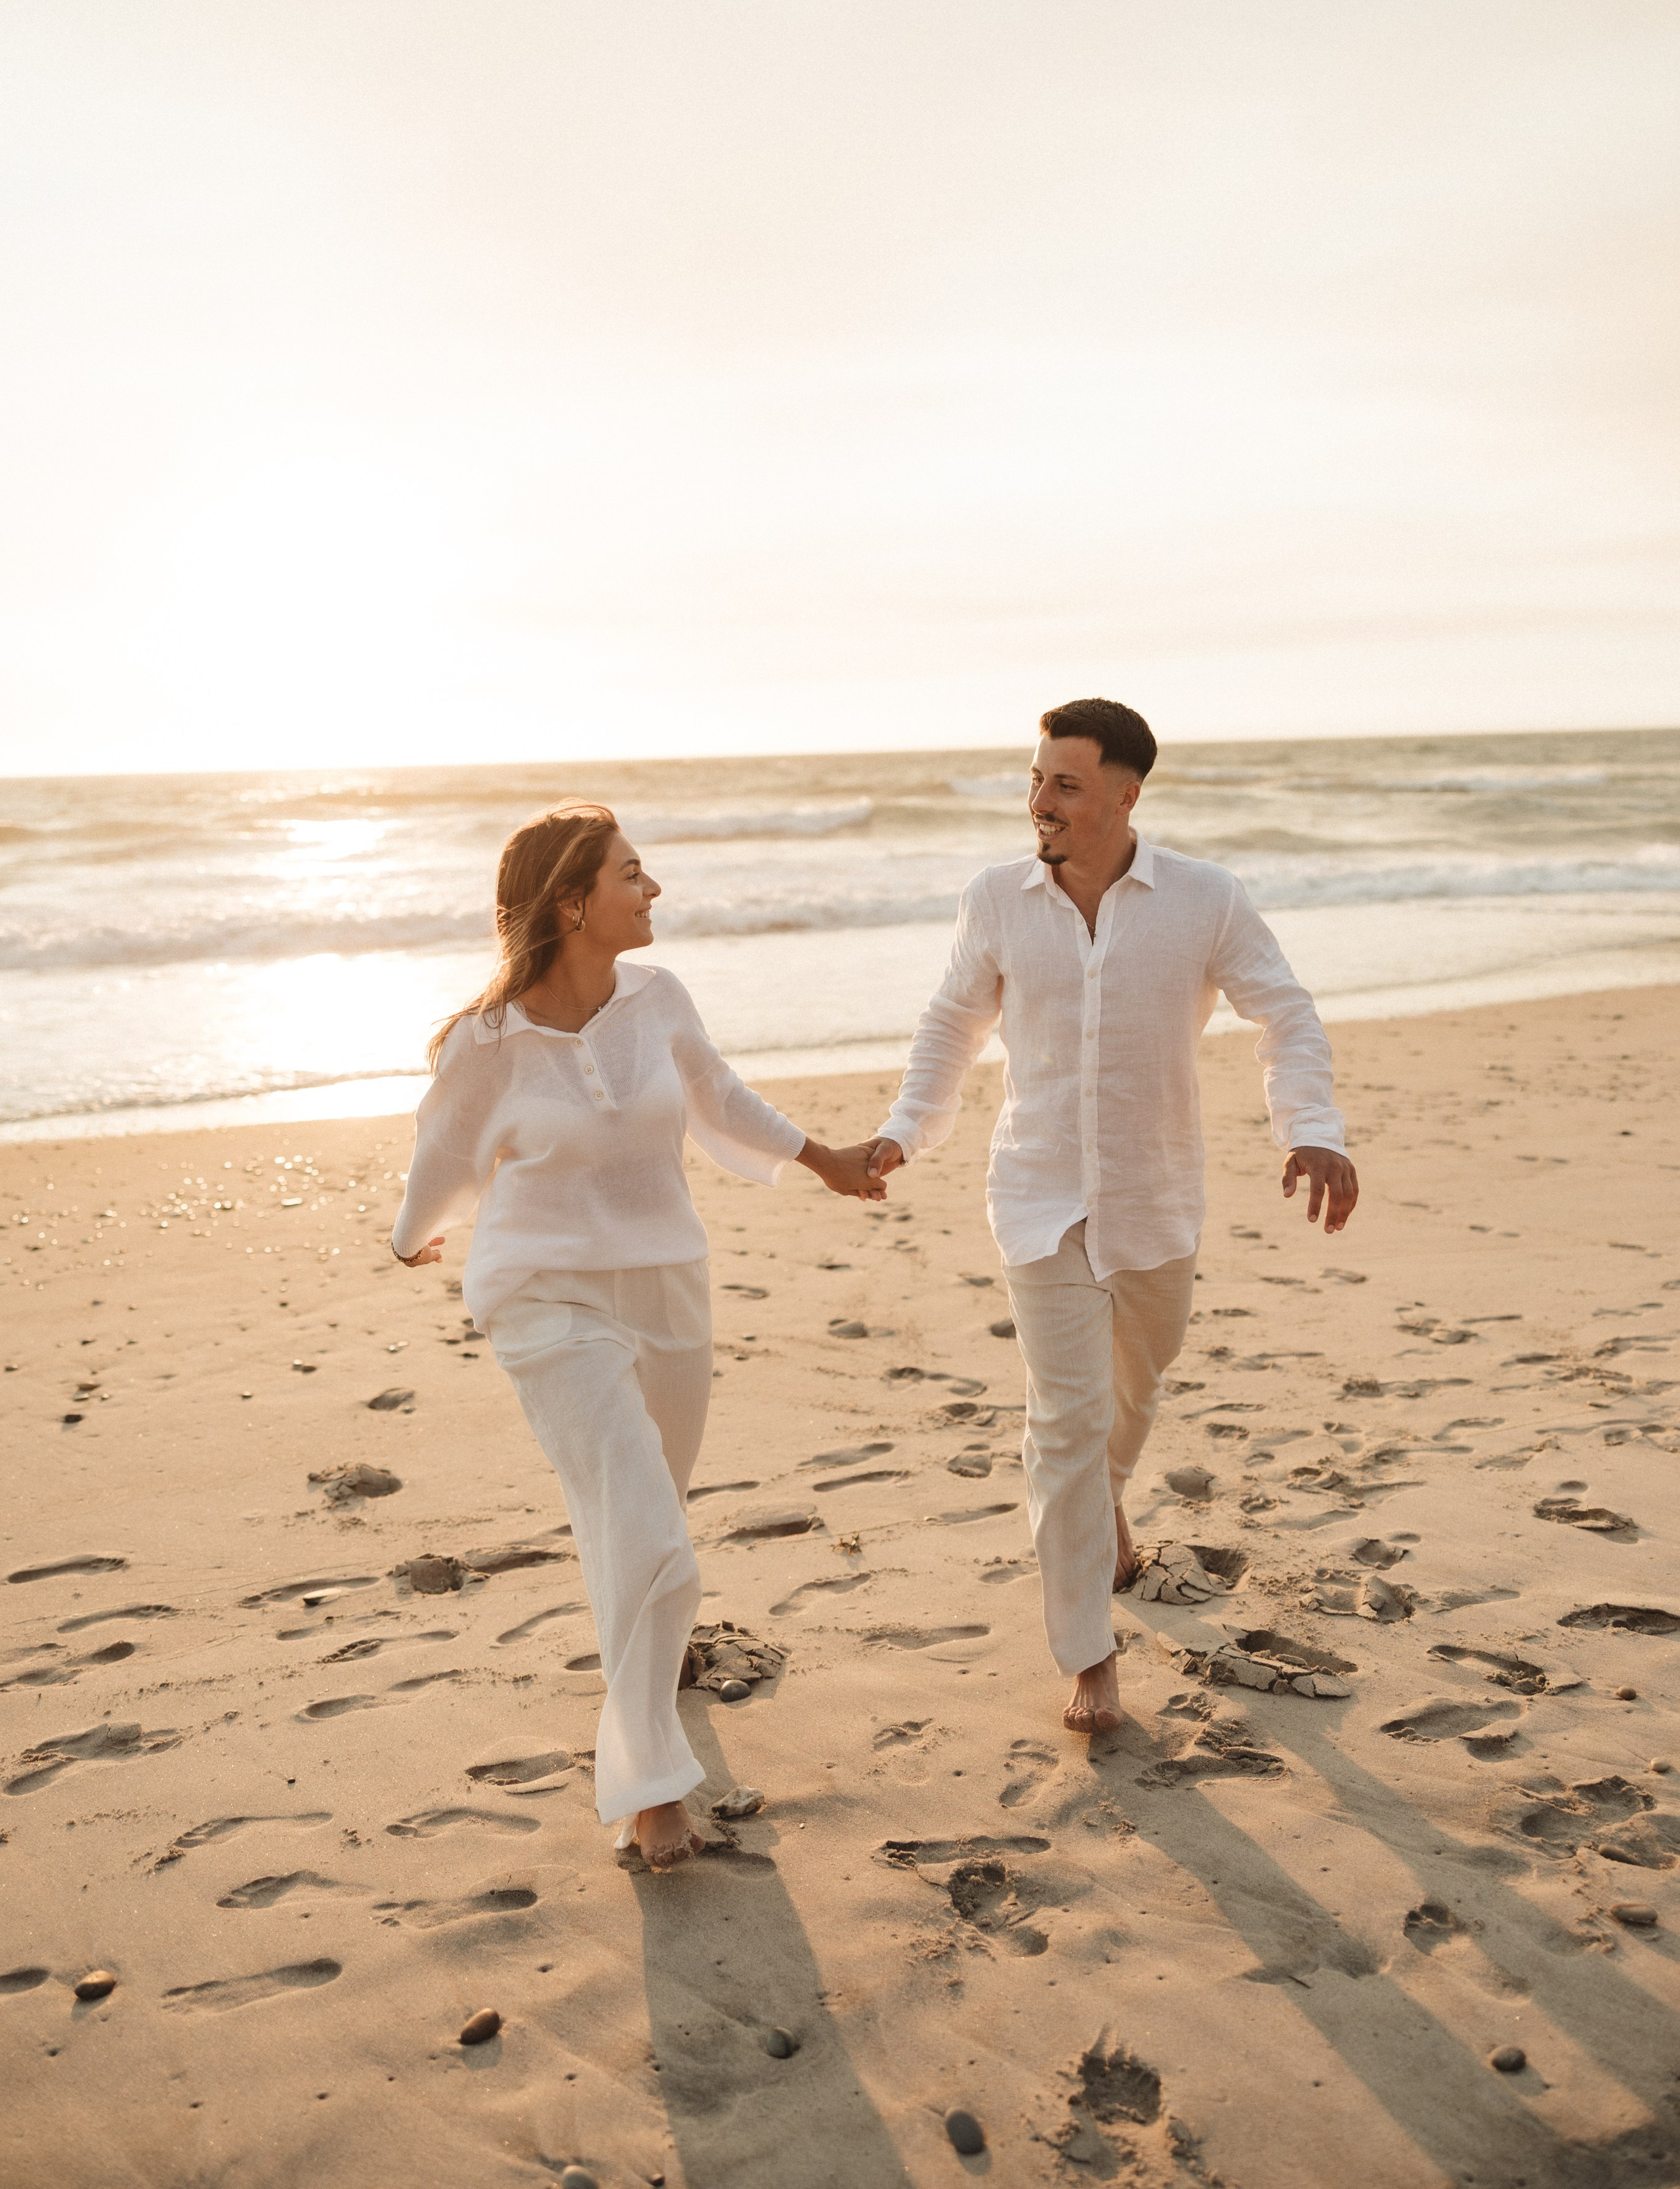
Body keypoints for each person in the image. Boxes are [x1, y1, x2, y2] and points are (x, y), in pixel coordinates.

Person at [389, 800, 883, 1869]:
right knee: (648, 1529)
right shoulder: (485, 1043)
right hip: (545, 1298)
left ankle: (649, 1704)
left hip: (668, 1289)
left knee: (640, 1520)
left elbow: (719, 1096)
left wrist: (825, 1161)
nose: (652, 889)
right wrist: (413, 1234)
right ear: (572, 903)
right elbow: (443, 1153)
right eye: (631, 873)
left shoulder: (659, 999)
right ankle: (653, 1792)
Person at [867, 698, 1358, 1736]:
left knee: (1134, 1393)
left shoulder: (1204, 899)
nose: (1039, 801)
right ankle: (1089, 1654)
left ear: (1126, 795)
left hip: (1155, 1197)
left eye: (1066, 784)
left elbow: (1284, 1011)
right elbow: (952, 1023)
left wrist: (1313, 1129)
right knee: (1065, 1420)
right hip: (1037, 1194)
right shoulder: (995, 900)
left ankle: (1109, 1507)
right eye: (1036, 779)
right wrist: (908, 1130)